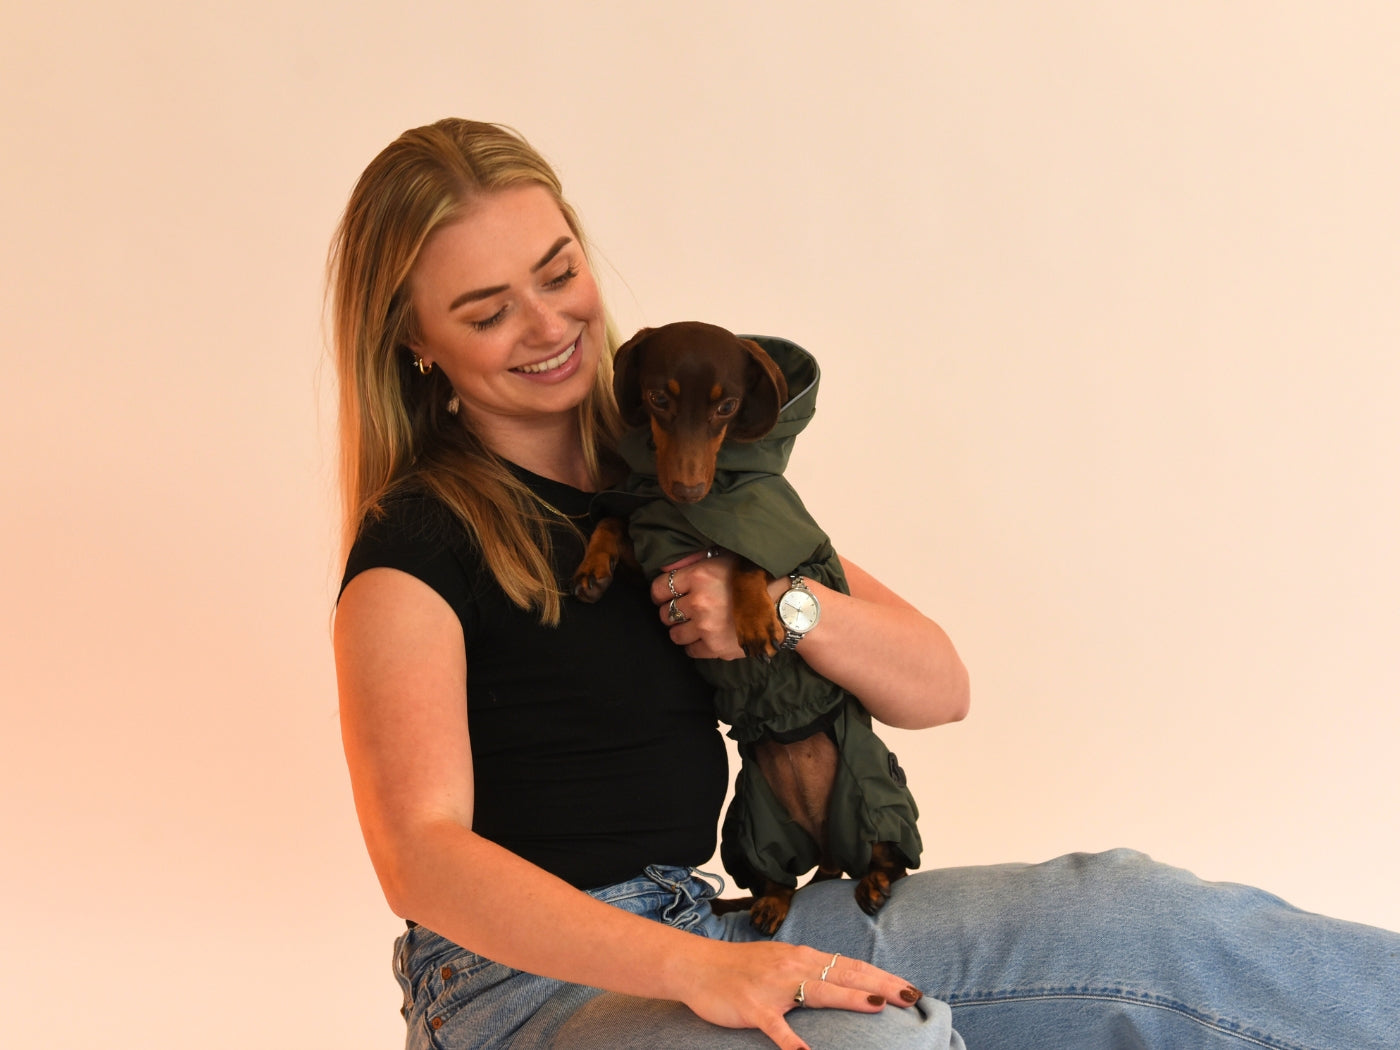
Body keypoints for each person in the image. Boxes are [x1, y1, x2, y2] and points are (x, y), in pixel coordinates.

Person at [328, 118, 1399, 1050]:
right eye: (485, 311)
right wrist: (692, 970)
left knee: (1141, 921)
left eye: (557, 274)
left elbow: (936, 683)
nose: (549, 325)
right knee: (877, 1040)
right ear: (413, 343)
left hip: (708, 922)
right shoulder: (418, 541)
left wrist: (783, 607)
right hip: (516, 996)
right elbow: (421, 858)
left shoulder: (677, 484)